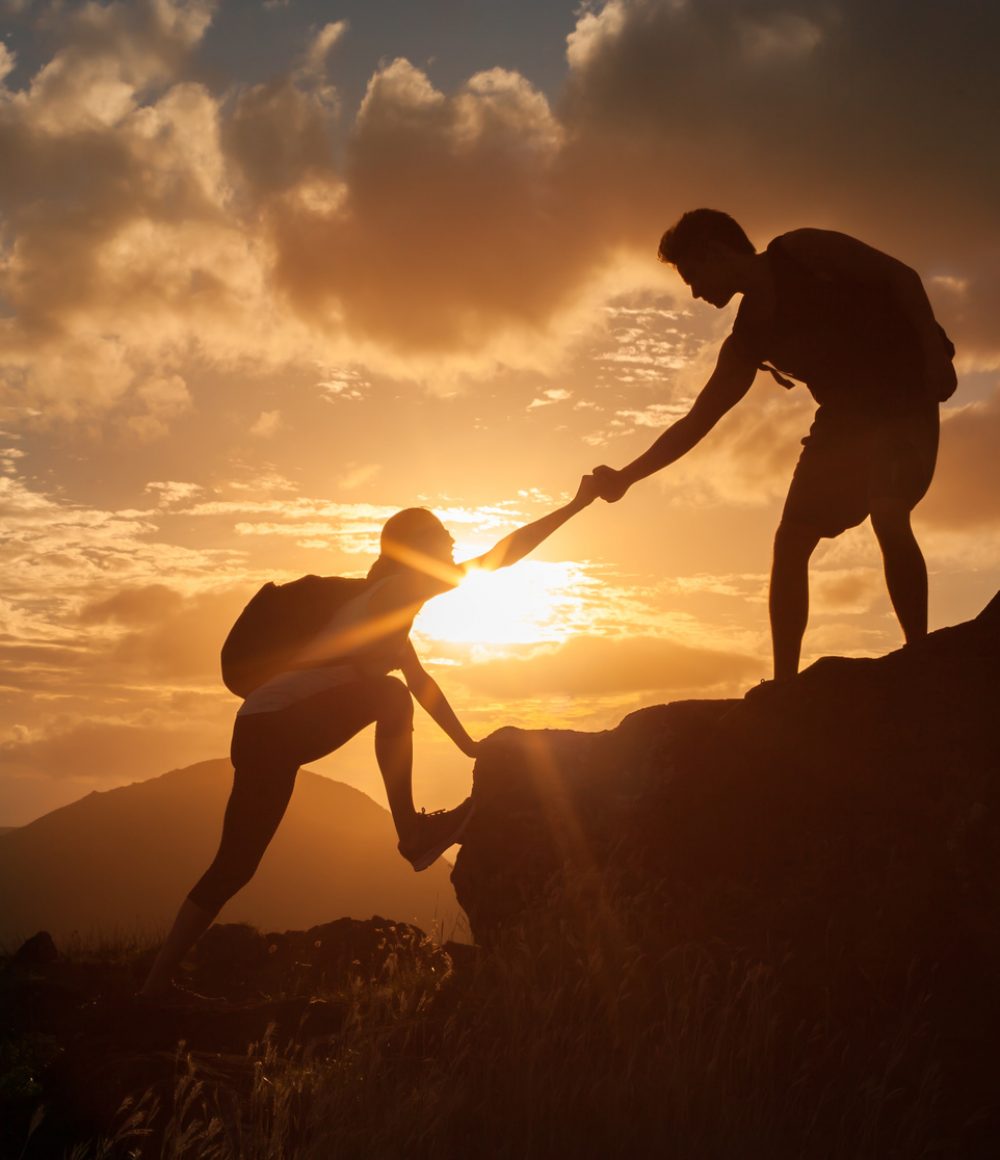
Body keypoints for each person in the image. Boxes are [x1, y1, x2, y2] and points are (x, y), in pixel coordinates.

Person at [141, 477, 598, 999]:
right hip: (275, 727)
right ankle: (412, 835)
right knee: (386, 700)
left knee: (235, 864)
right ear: (417, 551)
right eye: (443, 535)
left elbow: (424, 686)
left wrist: (469, 746)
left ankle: (153, 989)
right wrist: (574, 505)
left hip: (265, 728)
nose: (452, 542)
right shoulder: (397, 590)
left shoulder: (384, 614)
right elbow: (497, 558)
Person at [592, 209, 956, 686]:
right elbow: (697, 421)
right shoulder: (747, 341)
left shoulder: (804, 251)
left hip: (902, 398)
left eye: (693, 275)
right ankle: (786, 686)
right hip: (843, 422)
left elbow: (899, 275)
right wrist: (625, 477)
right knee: (791, 541)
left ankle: (919, 656)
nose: (695, 292)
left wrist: (931, 347)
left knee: (887, 510)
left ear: (716, 253)